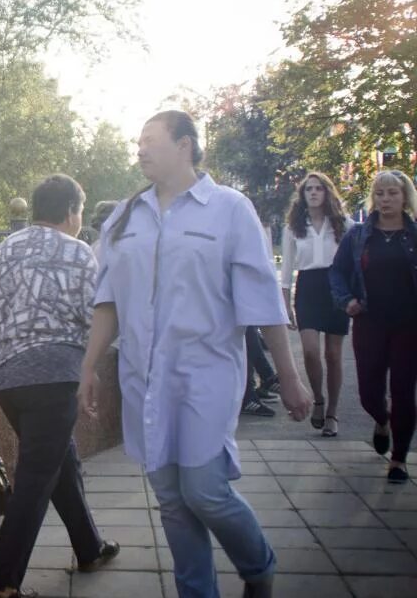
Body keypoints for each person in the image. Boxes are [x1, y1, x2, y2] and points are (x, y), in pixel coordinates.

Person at [78, 110, 310, 598]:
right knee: (171, 500)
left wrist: (288, 376)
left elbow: (262, 300)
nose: (139, 149)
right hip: (144, 377)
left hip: (207, 373)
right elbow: (108, 300)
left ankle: (258, 565)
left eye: (149, 140)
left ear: (185, 145)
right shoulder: (124, 217)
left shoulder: (229, 209)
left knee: (204, 491)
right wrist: (89, 368)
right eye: (137, 141)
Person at [0, 175, 119, 598]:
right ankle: (1, 582)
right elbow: (97, 317)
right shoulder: (79, 253)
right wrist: (95, 365)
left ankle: (89, 547)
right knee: (36, 474)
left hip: (6, 379)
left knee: (57, 457)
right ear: (71, 210)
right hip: (55, 374)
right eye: (81, 211)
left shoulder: (3, 250)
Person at [329, 169, 417, 483]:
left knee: (404, 391)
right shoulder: (358, 235)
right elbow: (337, 272)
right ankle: (382, 420)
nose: (385, 199)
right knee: (369, 392)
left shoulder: (414, 234)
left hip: (408, 325)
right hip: (369, 322)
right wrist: (346, 299)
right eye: (380, 193)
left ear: (405, 196)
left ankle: (398, 460)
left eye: (392, 193)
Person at [281, 172, 353, 438]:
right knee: (310, 351)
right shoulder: (294, 227)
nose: (313, 193)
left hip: (336, 287)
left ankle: (332, 412)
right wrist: (285, 303)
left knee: (333, 355)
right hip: (308, 288)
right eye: (308, 189)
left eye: (318, 189)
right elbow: (287, 269)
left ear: (327, 193)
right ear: (302, 195)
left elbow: (353, 261)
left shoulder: (344, 224)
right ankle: (318, 400)